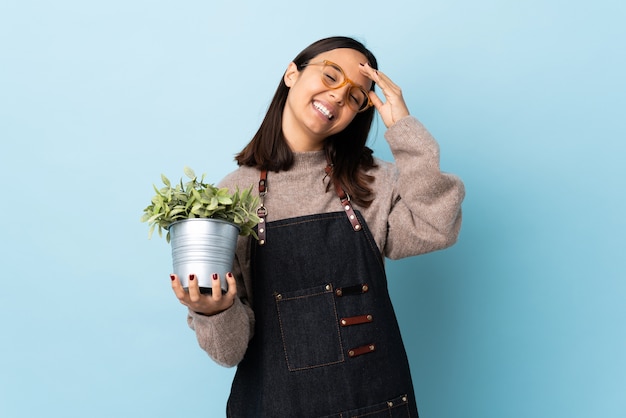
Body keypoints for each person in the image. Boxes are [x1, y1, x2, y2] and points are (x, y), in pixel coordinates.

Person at [170, 36, 464, 417]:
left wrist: (405, 131)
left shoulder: (372, 183)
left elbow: (437, 226)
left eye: (356, 97)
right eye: (330, 75)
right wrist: (215, 311)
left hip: (375, 405)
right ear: (292, 73)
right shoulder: (232, 196)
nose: (340, 96)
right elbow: (230, 353)